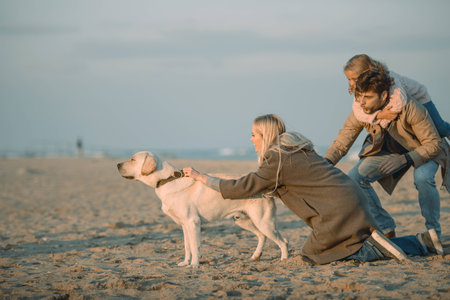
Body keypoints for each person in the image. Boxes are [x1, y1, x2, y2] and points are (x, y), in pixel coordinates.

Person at [183, 114, 444, 265]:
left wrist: (204, 178)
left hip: (335, 211)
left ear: (265, 135)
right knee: (341, 246)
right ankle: (421, 241)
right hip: (348, 197)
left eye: (254, 134)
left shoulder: (277, 159)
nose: (251, 139)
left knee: (312, 255)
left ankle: (376, 247)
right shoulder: (296, 148)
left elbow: (245, 186)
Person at [324, 68, 449, 242]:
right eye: (359, 97)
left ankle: (433, 232)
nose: (361, 103)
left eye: (367, 97)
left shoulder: (410, 107)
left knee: (422, 178)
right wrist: (324, 164)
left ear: (383, 96)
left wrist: (405, 159)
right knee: (355, 177)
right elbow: (341, 143)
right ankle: (387, 230)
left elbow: (434, 143)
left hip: (423, 149)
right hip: (390, 152)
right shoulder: (363, 112)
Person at [343, 54, 450, 138]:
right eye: (349, 79)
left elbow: (399, 102)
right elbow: (357, 111)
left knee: (440, 130)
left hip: (420, 98)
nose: (352, 83)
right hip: (406, 108)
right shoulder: (361, 90)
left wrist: (383, 119)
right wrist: (378, 115)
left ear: (368, 72)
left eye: (355, 79)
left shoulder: (390, 79)